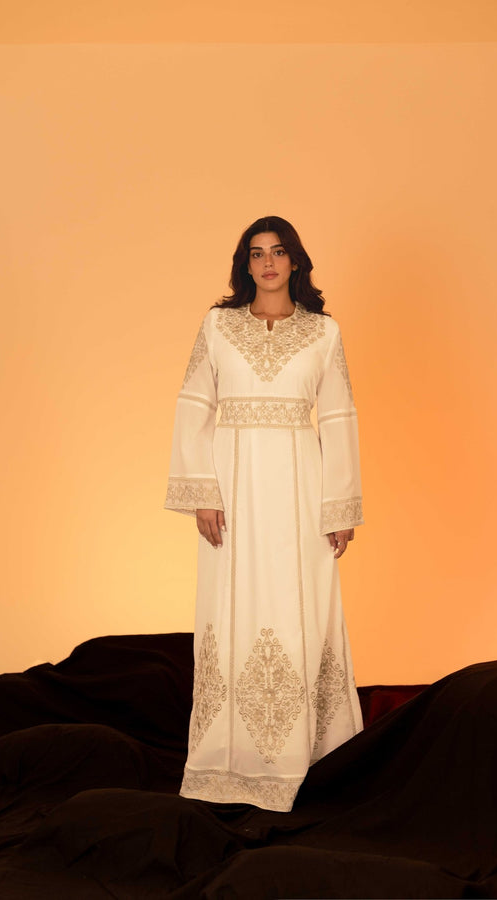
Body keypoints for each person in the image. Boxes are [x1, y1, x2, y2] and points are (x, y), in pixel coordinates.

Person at [164, 215, 364, 812]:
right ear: (245, 264)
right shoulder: (218, 326)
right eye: (257, 253)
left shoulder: (323, 332)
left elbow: (338, 418)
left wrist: (340, 505)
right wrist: (202, 491)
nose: (268, 262)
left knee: (300, 606)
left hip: (300, 493)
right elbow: (193, 407)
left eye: (278, 252)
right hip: (231, 493)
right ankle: (228, 761)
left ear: (294, 260)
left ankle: (312, 757)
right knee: (229, 608)